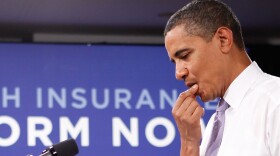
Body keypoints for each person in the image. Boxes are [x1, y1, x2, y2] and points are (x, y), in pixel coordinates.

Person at [163, 0, 280, 156]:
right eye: (174, 62)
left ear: (223, 40)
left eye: (185, 55)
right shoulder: (214, 125)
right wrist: (189, 144)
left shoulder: (275, 102)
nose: (178, 73)